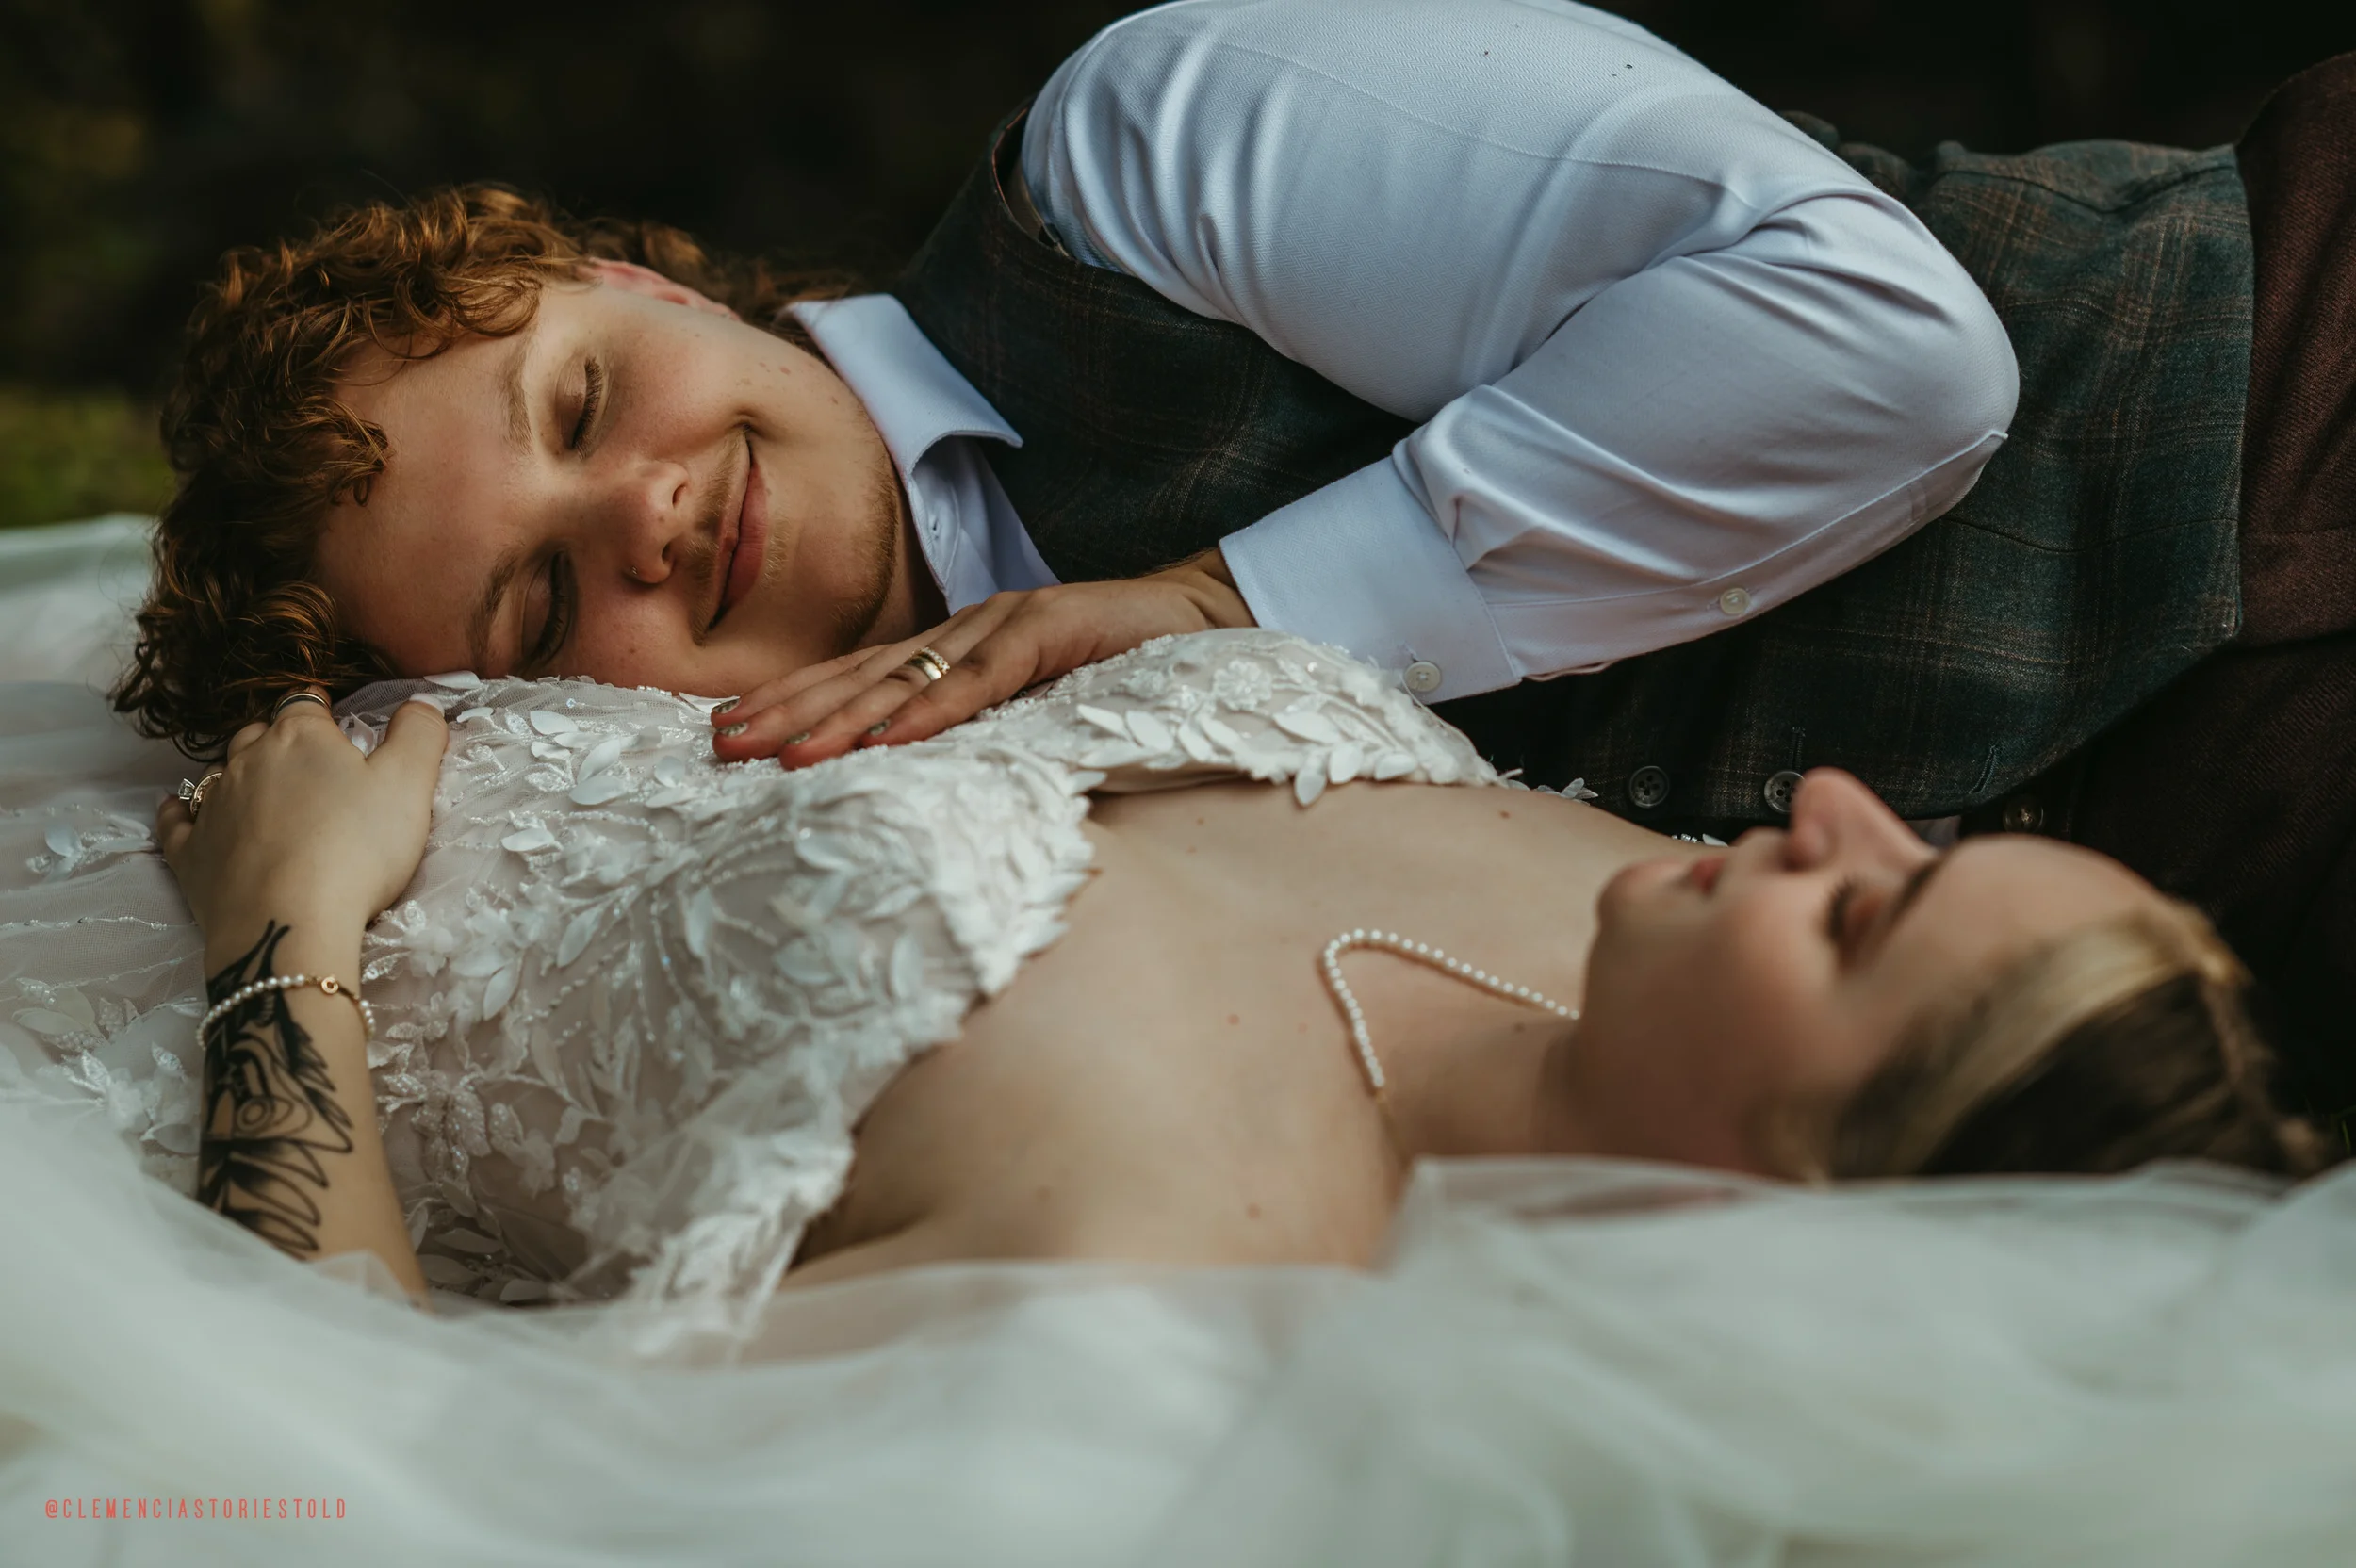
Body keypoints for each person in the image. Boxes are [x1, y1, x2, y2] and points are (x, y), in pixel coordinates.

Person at [113, 2, 2355, 1106]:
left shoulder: (1146, 154)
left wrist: (1227, 603)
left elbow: (1885, 353)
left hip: (2269, 379)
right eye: (535, 599)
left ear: (657, 281)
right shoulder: (901, 823)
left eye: (585, 402)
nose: (649, 513)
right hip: (2167, 954)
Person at [155, 624, 2323, 1330]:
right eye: (1918, 848)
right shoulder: (1644, 902)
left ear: (1777, 1204)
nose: (1834, 804)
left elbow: (361, 1466)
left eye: (1861, 916)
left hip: (139, 1025)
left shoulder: (1126, 1288)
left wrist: (287, 930)